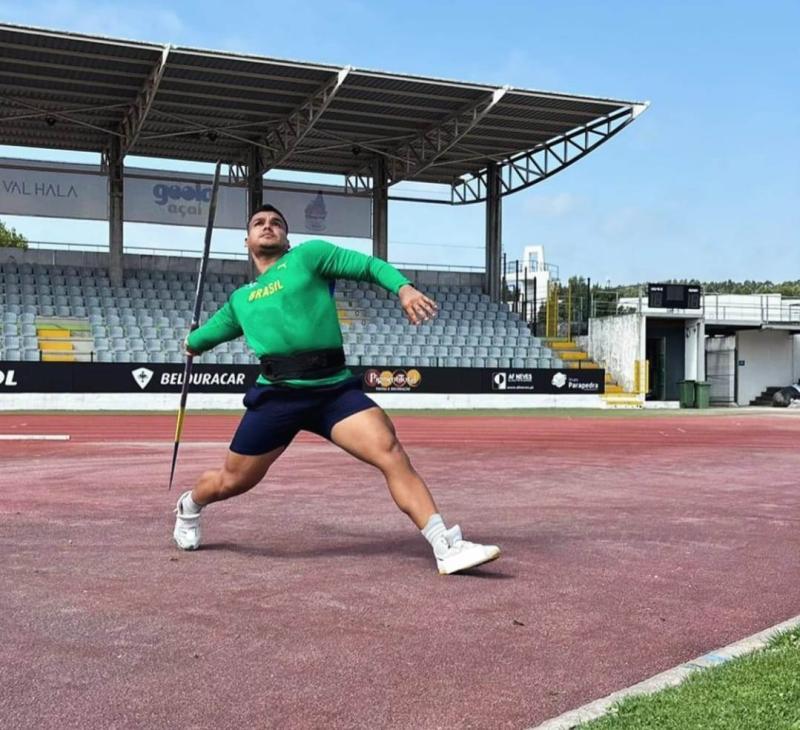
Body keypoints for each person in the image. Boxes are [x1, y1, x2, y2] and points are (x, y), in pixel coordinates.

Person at [173, 204, 500, 575]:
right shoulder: (240, 300)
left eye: (276, 223)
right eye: (259, 223)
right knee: (232, 481)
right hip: (278, 396)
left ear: (287, 238)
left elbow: (368, 266)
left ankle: (445, 545)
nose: (268, 226)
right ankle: (189, 505)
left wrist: (403, 288)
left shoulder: (308, 257)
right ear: (246, 240)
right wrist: (192, 341)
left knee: (389, 450)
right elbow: (203, 337)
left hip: (333, 392)